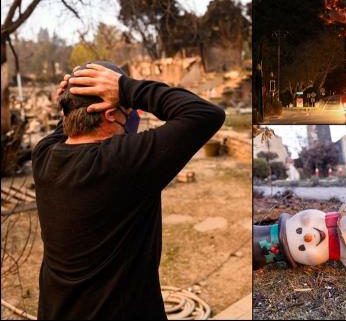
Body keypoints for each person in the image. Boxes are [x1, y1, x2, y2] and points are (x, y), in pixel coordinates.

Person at [32, 61, 225, 319]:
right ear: (110, 114)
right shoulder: (121, 162)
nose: (133, 115)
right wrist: (126, 88)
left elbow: (68, 125)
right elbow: (205, 114)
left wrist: (72, 97)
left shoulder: (44, 156)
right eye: (128, 110)